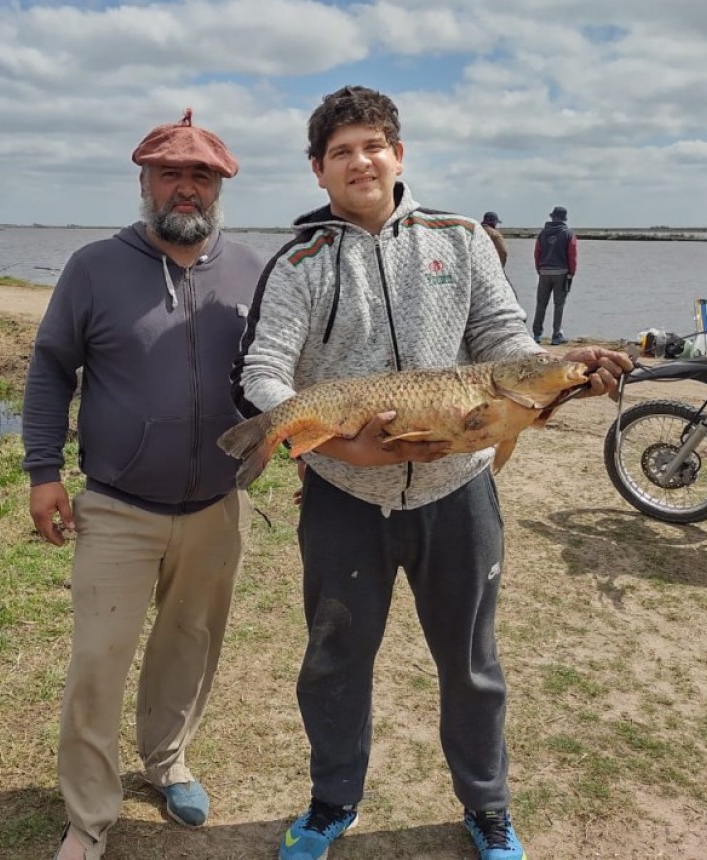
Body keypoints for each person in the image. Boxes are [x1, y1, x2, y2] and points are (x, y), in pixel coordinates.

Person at [232, 86, 632, 860]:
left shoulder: (460, 239)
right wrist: (337, 449)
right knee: (335, 659)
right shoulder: (299, 262)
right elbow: (264, 371)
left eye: (373, 145)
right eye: (341, 151)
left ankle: (487, 807)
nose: (360, 161)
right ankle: (331, 802)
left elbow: (506, 337)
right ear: (319, 171)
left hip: (459, 491)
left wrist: (567, 371)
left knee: (473, 663)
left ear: (399, 155)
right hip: (346, 498)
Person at [22, 109, 264, 860]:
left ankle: (167, 762)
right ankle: (90, 818)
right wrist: (43, 472)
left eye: (202, 176)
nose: (185, 188)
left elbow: (279, 377)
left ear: (220, 186)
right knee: (99, 661)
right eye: (171, 174)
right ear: (145, 181)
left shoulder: (255, 268)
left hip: (219, 507)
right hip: (118, 507)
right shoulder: (94, 266)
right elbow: (51, 367)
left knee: (189, 646)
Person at [533, 205, 577, 345]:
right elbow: (572, 254)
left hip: (544, 272)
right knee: (559, 305)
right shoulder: (568, 233)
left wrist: (539, 269)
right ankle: (556, 335)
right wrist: (571, 273)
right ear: (564, 218)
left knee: (541, 304)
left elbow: (537, 253)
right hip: (562, 273)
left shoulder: (542, 233)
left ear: (552, 217)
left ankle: (537, 335)